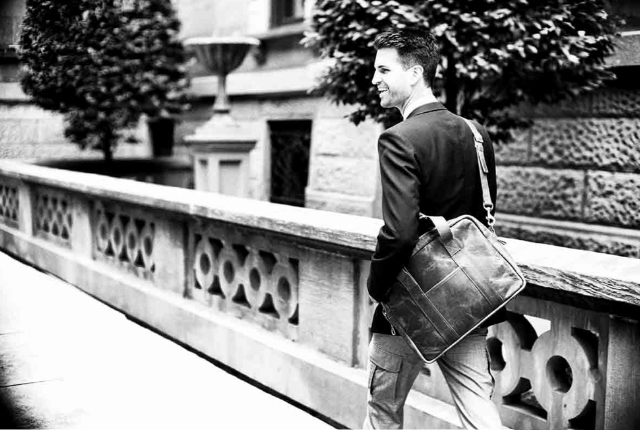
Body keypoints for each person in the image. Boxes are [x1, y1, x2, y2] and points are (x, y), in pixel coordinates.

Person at [364, 27, 503, 429]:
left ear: (415, 74)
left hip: (409, 302)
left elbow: (399, 232)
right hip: (469, 296)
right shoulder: (477, 134)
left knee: (383, 412)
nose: (374, 80)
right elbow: (483, 217)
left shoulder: (397, 139)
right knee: (479, 411)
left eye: (383, 70)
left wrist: (377, 287)